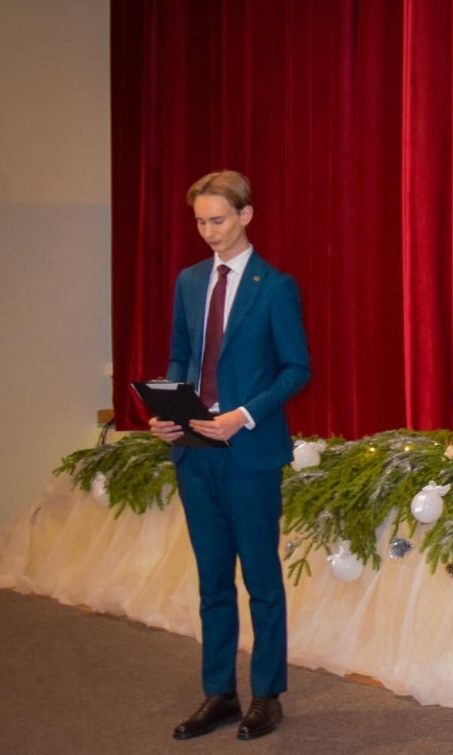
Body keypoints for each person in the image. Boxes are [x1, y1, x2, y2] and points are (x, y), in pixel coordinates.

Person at [148, 170, 310, 741]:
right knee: (212, 580)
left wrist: (242, 415)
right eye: (200, 221)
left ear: (245, 215)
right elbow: (180, 356)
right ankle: (218, 692)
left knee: (261, 579)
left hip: (249, 452)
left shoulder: (275, 286)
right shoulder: (190, 280)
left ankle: (267, 695)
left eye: (217, 219)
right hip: (195, 452)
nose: (209, 231)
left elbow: (296, 369)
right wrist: (168, 407)